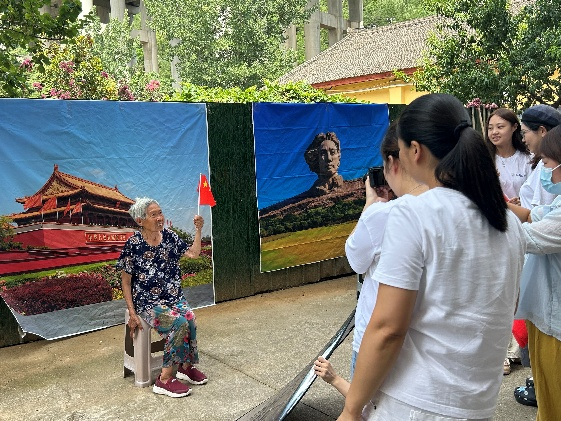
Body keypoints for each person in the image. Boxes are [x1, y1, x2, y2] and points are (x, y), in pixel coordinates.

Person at [338, 93, 525, 421]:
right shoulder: (508, 222)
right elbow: (504, 308)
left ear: (415, 150)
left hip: (415, 403)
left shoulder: (412, 214)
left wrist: (352, 409)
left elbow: (387, 328)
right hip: (478, 403)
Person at [345, 121, 427, 379]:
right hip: (426, 344)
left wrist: (371, 204)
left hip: (377, 339)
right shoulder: (455, 207)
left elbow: (356, 260)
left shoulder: (383, 214)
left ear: (392, 162)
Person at [117, 197, 208, 398]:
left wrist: (199, 230)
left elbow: (193, 254)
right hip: (148, 302)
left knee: (190, 319)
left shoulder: (169, 237)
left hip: (173, 297)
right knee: (178, 323)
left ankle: (185, 367)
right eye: (153, 215)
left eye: (160, 213)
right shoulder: (133, 244)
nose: (160, 218)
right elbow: (126, 282)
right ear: (140, 221)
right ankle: (164, 380)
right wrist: (132, 313)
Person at [508, 125, 561, 419]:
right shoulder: (558, 201)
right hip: (545, 317)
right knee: (547, 392)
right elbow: (532, 215)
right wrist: (494, 199)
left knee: (555, 398)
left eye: (548, 162)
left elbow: (527, 237)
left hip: (556, 323)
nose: (545, 170)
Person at [485, 108, 532, 201]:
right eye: (490, 128)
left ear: (514, 127)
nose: (494, 132)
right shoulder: (484, 159)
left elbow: (534, 192)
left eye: (500, 127)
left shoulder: (528, 159)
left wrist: (520, 203)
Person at [303, 131, 344, 196]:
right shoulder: (307, 196)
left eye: (332, 152)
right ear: (316, 158)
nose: (329, 158)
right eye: (323, 153)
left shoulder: (357, 186)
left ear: (338, 156)